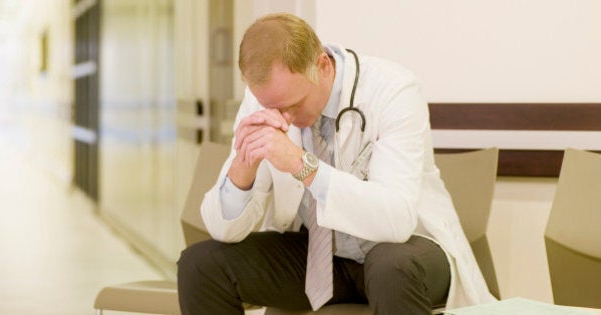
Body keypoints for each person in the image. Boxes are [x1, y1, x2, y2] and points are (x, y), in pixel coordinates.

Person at [177, 13, 495, 315]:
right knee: (200, 265)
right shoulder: (265, 99)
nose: (282, 119)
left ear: (323, 65)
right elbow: (222, 230)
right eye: (271, 107)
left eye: (293, 105)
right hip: (320, 260)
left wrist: (302, 165)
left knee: (392, 266)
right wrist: (242, 169)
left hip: (405, 251)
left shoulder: (393, 90)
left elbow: (396, 221)